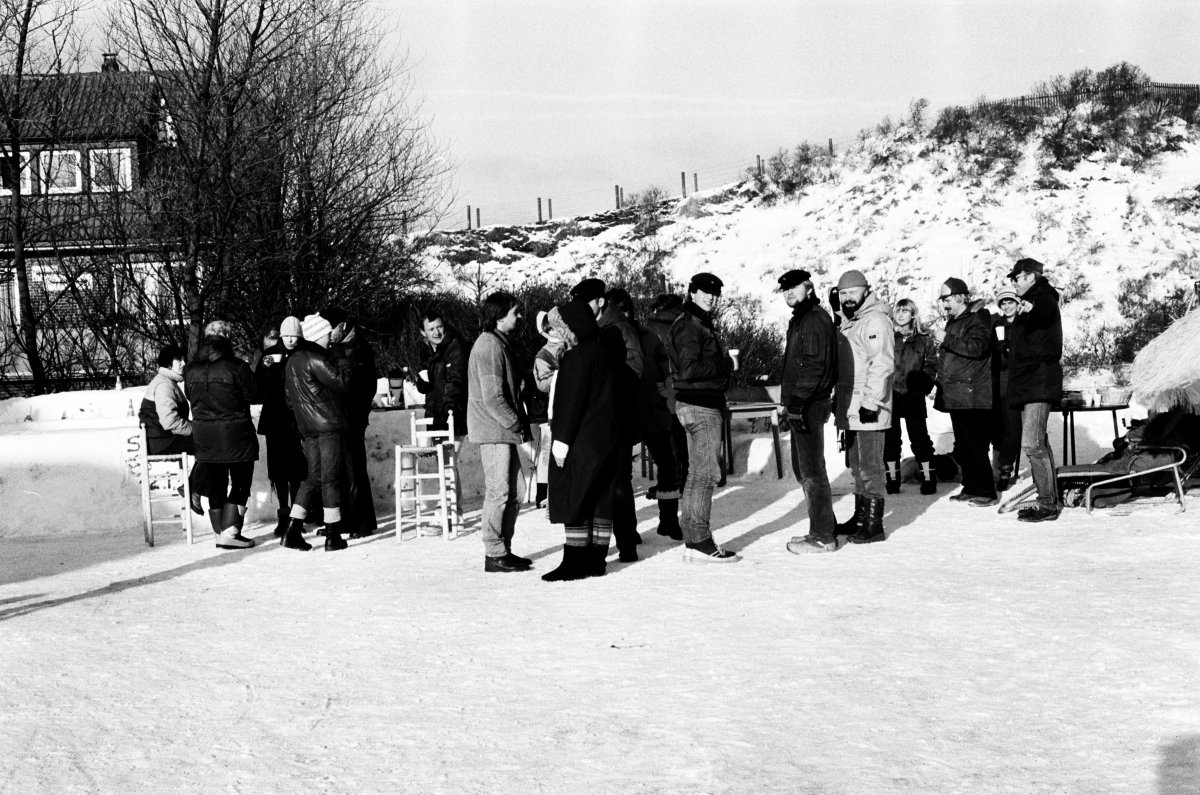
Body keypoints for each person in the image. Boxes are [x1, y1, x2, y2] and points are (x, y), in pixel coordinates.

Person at [542, 301, 619, 581]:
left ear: (571, 328)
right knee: (599, 497)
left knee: (575, 494)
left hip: (580, 438)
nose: (557, 333)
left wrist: (562, 440)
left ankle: (574, 561)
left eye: (560, 328)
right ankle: (596, 559)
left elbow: (571, 402)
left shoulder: (577, 357)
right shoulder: (601, 352)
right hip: (604, 438)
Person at [668, 272, 740, 563]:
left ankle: (693, 539)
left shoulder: (695, 322)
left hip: (693, 403)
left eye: (715, 293)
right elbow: (689, 370)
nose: (711, 297)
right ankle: (699, 540)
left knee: (697, 473)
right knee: (706, 474)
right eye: (705, 292)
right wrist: (726, 364)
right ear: (692, 292)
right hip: (700, 405)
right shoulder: (690, 325)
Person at [467, 291, 533, 572]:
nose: (519, 317)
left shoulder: (499, 343)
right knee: (499, 491)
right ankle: (494, 552)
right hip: (494, 430)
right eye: (515, 312)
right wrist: (515, 422)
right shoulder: (488, 346)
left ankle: (503, 548)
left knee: (515, 491)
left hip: (503, 430)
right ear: (499, 316)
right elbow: (493, 397)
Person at [774, 270, 840, 553]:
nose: (789, 293)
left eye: (794, 287)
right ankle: (825, 526)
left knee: (812, 470)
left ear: (809, 288)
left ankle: (823, 536)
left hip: (809, 403)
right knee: (804, 469)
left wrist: (798, 401)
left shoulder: (812, 319)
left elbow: (814, 364)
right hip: (803, 402)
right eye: (785, 289)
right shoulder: (803, 318)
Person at [612, 288, 682, 541]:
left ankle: (669, 520)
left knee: (667, 464)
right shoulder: (607, 336)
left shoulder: (647, 334)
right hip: (624, 411)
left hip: (653, 408)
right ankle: (627, 531)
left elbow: (665, 365)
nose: (624, 313)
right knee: (622, 474)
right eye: (618, 309)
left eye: (626, 308)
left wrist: (664, 387)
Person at [281, 313, 354, 552]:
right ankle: (333, 535)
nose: (329, 338)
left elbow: (289, 400)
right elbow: (343, 382)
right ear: (317, 335)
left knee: (312, 479)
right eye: (326, 334)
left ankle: (292, 530)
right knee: (330, 479)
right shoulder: (315, 358)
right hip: (328, 426)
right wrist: (340, 355)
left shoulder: (292, 361)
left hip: (308, 428)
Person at [185, 320, 259, 550]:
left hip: (204, 435)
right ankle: (230, 532)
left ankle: (220, 531)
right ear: (227, 338)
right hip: (236, 434)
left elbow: (189, 396)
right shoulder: (237, 366)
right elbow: (253, 394)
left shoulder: (191, 368)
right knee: (240, 483)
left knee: (216, 484)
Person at [832, 269, 894, 544]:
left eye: (853, 292)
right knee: (856, 466)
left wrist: (871, 402)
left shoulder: (875, 320)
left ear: (866, 291)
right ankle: (860, 518)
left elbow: (882, 363)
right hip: (852, 406)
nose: (847, 297)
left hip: (869, 406)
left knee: (870, 467)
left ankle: (873, 525)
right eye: (843, 293)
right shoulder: (852, 321)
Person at [1006, 257, 1064, 522]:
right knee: (1038, 443)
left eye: (1017, 278)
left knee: (1033, 443)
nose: (1014, 283)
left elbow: (1043, 309)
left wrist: (1031, 306)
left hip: (1039, 381)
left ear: (1030, 276)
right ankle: (1048, 499)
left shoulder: (1042, 296)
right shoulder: (1029, 301)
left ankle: (1047, 505)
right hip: (1028, 382)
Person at [932, 277, 997, 507]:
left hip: (973, 393)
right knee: (964, 445)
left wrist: (947, 339)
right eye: (943, 300)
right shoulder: (955, 321)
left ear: (960, 297)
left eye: (947, 299)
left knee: (975, 445)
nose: (944, 304)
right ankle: (971, 487)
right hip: (958, 393)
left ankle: (987, 492)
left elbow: (978, 348)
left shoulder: (977, 318)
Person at [593, 283, 644, 562]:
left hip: (619, 416)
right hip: (603, 418)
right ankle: (616, 541)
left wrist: (609, 381)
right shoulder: (593, 329)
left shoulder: (622, 329)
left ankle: (627, 542)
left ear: (601, 303)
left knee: (620, 482)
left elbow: (635, 370)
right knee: (609, 482)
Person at [323, 308, 379, 538]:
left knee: (354, 469)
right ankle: (348, 520)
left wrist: (358, 411)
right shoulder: (344, 346)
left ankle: (361, 523)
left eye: (332, 327)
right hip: (342, 415)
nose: (330, 332)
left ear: (343, 325)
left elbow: (362, 384)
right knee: (343, 470)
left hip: (352, 416)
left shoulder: (358, 349)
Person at [254, 316, 308, 537]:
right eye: (284, 336)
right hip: (276, 418)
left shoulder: (303, 352)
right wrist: (268, 369)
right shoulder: (269, 355)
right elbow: (257, 386)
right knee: (278, 472)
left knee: (297, 470)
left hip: (297, 418)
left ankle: (296, 516)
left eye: (293, 335)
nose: (289, 340)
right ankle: (283, 515)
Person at [885, 298, 939, 495]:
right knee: (891, 441)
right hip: (890, 395)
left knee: (920, 439)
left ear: (913, 314)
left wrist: (924, 385)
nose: (900, 315)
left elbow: (931, 366)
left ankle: (928, 478)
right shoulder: (888, 337)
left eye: (905, 311)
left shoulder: (924, 339)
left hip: (913, 396)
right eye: (898, 311)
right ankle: (892, 480)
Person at [646, 293, 688, 489]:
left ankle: (671, 482)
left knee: (667, 441)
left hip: (662, 389)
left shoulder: (652, 328)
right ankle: (685, 480)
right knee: (683, 438)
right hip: (685, 389)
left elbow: (649, 361)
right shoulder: (687, 325)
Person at [414, 309, 469, 437]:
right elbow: (424, 387)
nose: (437, 332)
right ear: (423, 332)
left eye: (439, 327)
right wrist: (422, 381)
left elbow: (456, 383)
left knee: (449, 450)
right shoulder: (425, 349)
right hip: (434, 415)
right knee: (438, 450)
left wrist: (447, 413)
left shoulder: (456, 346)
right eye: (431, 329)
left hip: (452, 416)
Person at [530, 309, 566, 508]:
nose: (555, 331)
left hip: (562, 405)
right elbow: (542, 384)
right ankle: (543, 492)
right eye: (550, 329)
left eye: (557, 327)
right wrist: (562, 375)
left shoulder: (568, 346)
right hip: (547, 408)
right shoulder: (543, 354)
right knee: (547, 449)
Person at [991, 286, 1023, 492]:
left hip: (1022, 380)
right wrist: (998, 349)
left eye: (1010, 301)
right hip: (1001, 380)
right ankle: (1002, 469)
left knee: (1018, 427)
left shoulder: (1025, 322)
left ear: (1017, 303)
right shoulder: (997, 325)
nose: (1007, 306)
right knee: (1004, 426)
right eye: (1003, 303)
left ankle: (1008, 468)